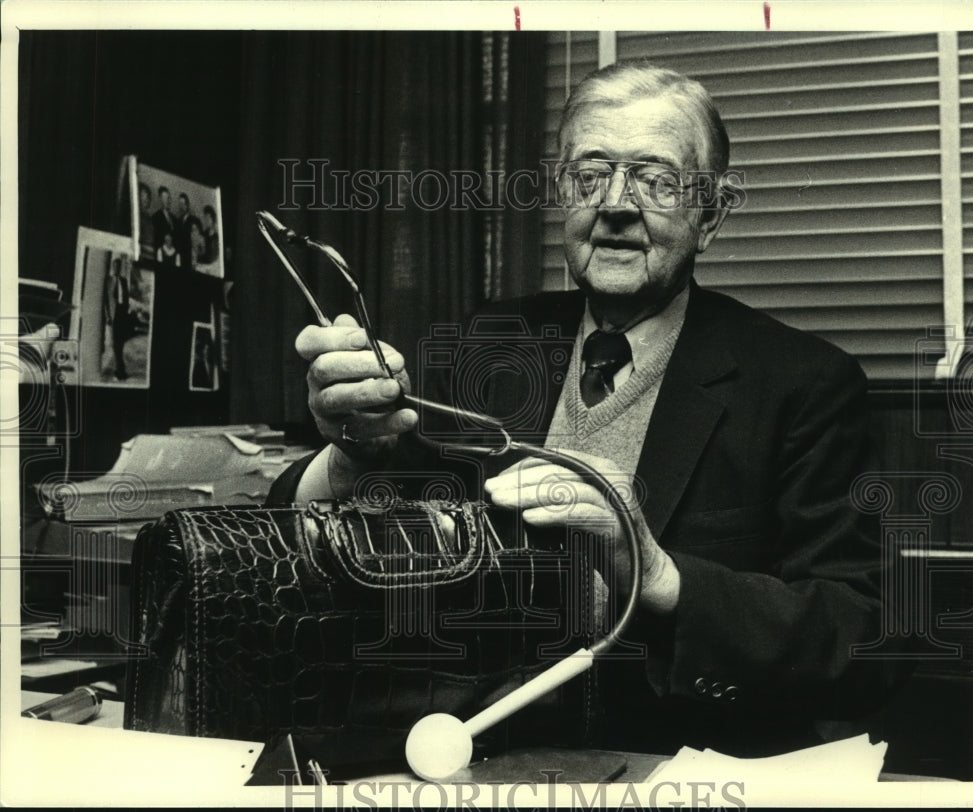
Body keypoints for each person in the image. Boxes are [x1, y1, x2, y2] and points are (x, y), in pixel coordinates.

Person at [268, 64, 904, 757]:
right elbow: (323, 554)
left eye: (657, 180)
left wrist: (658, 576)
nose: (617, 204)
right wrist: (354, 454)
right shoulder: (487, 343)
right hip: (475, 761)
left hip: (679, 771)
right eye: (591, 174)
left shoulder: (803, 383)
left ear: (712, 215)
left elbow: (864, 642)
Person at [103, 256, 133, 380]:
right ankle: (120, 370)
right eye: (115, 266)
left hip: (122, 314)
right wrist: (107, 315)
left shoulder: (124, 281)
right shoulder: (108, 281)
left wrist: (127, 312)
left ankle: (120, 369)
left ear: (120, 268)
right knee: (115, 344)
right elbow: (105, 300)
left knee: (120, 343)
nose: (116, 268)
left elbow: (126, 298)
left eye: (118, 267)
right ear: (112, 267)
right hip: (113, 314)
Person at [176, 192, 201, 269]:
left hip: (190, 257)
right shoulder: (178, 221)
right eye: (180, 204)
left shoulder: (194, 220)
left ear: (187, 205)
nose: (181, 207)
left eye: (183, 204)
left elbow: (197, 241)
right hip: (180, 258)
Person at [151, 185, 176, 254]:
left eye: (169, 198)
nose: (168, 201)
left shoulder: (174, 219)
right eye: (165, 198)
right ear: (160, 200)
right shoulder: (155, 217)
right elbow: (157, 239)